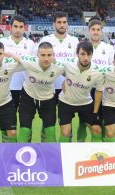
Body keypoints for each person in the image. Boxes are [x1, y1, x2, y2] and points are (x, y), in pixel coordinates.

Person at [37, 11, 79, 140]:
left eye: (64, 22)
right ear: (53, 24)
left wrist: (68, 80)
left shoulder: (74, 41)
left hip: (67, 87)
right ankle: (46, 148)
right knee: (47, 120)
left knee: (66, 121)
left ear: (67, 24)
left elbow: (76, 66)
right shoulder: (46, 40)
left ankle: (66, 150)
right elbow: (38, 63)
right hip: (48, 87)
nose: (62, 25)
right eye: (59, 22)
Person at [14, 42, 65, 142]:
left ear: (53, 56)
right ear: (37, 55)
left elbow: (72, 73)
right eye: (43, 55)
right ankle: (19, 155)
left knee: (50, 132)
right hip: (28, 97)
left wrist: (67, 81)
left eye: (49, 55)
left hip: (48, 99)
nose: (46, 58)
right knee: (24, 131)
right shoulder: (29, 61)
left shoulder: (59, 66)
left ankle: (51, 157)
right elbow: (13, 56)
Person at [0, 14, 35, 142]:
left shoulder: (30, 44)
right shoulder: (2, 43)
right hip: (6, 88)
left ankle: (26, 148)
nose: (18, 29)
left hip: (27, 89)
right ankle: (7, 149)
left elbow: (35, 65)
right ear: (10, 27)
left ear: (25, 28)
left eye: (21, 27)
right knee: (7, 121)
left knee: (26, 122)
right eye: (15, 26)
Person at [77, 17, 115, 142]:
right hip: (86, 90)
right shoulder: (82, 47)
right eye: (93, 29)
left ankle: (102, 146)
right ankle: (79, 146)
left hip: (103, 91)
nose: (96, 32)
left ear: (101, 32)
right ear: (88, 31)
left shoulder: (108, 48)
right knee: (83, 122)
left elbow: (112, 70)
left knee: (102, 122)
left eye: (98, 29)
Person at [58, 41, 105, 142]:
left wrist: (95, 111)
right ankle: (62, 156)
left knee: (97, 130)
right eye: (83, 54)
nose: (86, 57)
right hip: (66, 102)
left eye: (89, 54)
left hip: (85, 104)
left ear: (92, 54)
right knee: (65, 132)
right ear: (77, 54)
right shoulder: (67, 64)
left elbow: (99, 91)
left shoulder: (98, 72)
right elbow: (54, 68)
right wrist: (65, 80)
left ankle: (95, 157)